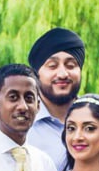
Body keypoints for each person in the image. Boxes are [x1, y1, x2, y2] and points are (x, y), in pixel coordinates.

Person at [25, 28, 85, 160]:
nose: (63, 74)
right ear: (35, 74)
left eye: (70, 65)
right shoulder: (17, 126)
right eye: (52, 66)